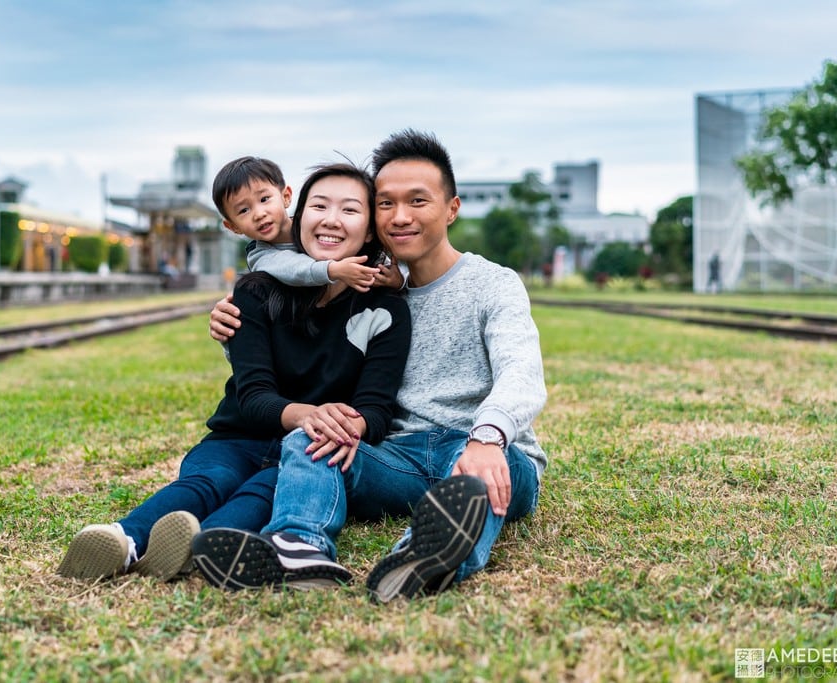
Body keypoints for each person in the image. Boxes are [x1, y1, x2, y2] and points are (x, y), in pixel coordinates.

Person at [194, 129, 547, 601]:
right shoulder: (364, 289)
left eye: (417, 201)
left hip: (482, 449)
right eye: (386, 204)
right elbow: (295, 353)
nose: (400, 217)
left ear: (452, 209)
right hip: (395, 454)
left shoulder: (493, 284)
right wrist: (232, 331)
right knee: (312, 436)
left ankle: (423, 558)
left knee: (475, 480)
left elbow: (520, 370)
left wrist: (487, 438)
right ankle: (297, 546)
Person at [57, 161, 412, 582]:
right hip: (239, 434)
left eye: (350, 210)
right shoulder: (255, 290)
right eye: (319, 206)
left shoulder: (386, 309)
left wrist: (343, 424)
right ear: (301, 213)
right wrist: (307, 413)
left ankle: (200, 544)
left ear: (370, 229)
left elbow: (375, 412)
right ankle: (124, 539)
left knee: (270, 489)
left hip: (307, 453)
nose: (331, 220)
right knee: (212, 479)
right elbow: (254, 395)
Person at [212, 156, 402, 292]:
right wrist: (333, 269)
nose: (259, 214)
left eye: (264, 199)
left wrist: (394, 279)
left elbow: (368, 261)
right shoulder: (261, 255)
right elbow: (292, 268)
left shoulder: (315, 225)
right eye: (244, 210)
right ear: (233, 227)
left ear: (286, 197)